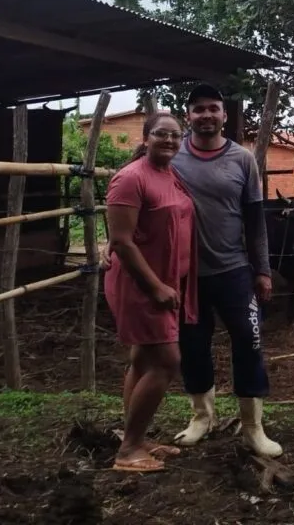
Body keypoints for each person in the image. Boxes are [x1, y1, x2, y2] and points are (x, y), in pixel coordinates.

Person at [170, 83, 282, 458]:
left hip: (235, 271)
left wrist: (262, 270)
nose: (206, 115)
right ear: (188, 115)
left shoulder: (242, 159)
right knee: (192, 347)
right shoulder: (171, 159)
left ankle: (253, 427)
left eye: (213, 108)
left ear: (224, 115)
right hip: (186, 276)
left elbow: (255, 222)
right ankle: (201, 418)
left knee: (249, 346)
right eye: (198, 109)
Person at [103, 112, 198, 473]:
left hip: (164, 283)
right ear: (145, 137)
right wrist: (156, 286)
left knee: (143, 360)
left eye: (176, 135)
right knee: (167, 361)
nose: (170, 141)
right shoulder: (130, 178)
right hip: (141, 285)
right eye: (161, 134)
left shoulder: (169, 173)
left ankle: (136, 437)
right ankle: (127, 451)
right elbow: (122, 242)